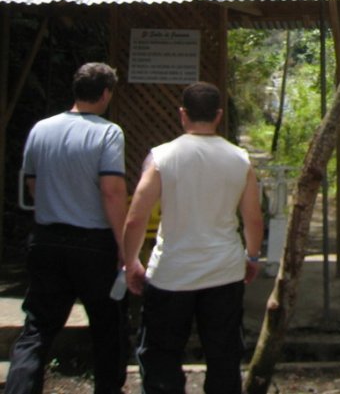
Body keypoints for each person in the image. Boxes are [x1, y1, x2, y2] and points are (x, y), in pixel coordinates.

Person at [122, 81, 264, 394]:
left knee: (161, 354)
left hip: (171, 273)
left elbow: (135, 218)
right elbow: (253, 218)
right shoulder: (239, 159)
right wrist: (252, 256)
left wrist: (131, 262)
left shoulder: (162, 157)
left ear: (182, 114)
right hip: (224, 271)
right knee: (224, 355)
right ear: (218, 115)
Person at [7, 62, 129, 394]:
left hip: (46, 240)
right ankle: (107, 388)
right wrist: (124, 245)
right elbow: (112, 191)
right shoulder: (108, 132)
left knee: (38, 328)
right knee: (108, 325)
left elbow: (32, 183)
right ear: (105, 94)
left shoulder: (41, 129)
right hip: (94, 243)